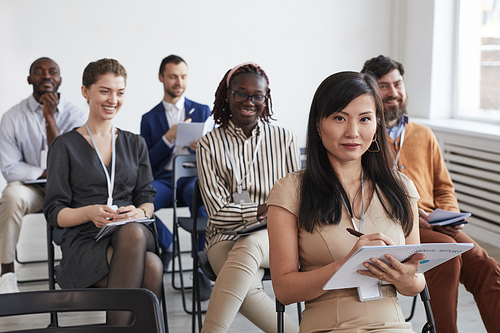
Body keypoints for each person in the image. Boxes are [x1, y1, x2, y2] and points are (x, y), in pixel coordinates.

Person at [267, 71, 426, 332]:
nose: (353, 132)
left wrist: (406, 278)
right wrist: (347, 264)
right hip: (329, 326)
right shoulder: (291, 191)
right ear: (318, 124)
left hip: (393, 326)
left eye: (365, 119)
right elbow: (284, 290)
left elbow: (416, 283)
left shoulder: (401, 187)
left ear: (377, 125)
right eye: (340, 118)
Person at [361, 55, 500, 333]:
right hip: (392, 226)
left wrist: (446, 215)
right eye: (384, 86)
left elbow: (443, 187)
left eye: (397, 84)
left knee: (486, 266)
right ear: (371, 92)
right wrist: (412, 217)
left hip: (435, 224)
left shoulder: (423, 134)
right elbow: (363, 194)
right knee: (448, 256)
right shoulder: (363, 135)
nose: (393, 93)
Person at [43, 58, 162, 325]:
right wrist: (89, 212)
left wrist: (138, 211)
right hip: (86, 240)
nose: (113, 100)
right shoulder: (65, 146)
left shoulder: (135, 143)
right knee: (152, 266)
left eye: (120, 92)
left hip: (132, 233)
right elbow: (54, 213)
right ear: (85, 91)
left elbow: (147, 198)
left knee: (133, 232)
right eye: (105, 91)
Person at [196, 62, 300, 332]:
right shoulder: (209, 143)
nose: (249, 102)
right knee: (247, 288)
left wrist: (272, 214)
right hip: (224, 237)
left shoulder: (283, 138)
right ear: (227, 94)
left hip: (274, 233)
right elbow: (217, 213)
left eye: (257, 96)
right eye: (241, 93)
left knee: (250, 246)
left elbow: (297, 198)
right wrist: (261, 209)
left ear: (266, 99)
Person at [0, 57, 86, 294]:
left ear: (59, 79)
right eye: (39, 72)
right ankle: (6, 274)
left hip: (69, 188)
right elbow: (9, 168)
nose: (46, 76)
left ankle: (81, 268)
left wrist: (50, 118)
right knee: (11, 196)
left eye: (52, 72)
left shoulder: (76, 115)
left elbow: (75, 162)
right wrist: (45, 171)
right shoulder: (12, 117)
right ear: (30, 79)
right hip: (33, 188)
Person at [140, 55, 211, 278]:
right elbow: (147, 162)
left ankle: (201, 268)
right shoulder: (149, 118)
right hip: (163, 179)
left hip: (192, 177)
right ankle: (166, 239)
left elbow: (217, 154)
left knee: (203, 201)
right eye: (172, 77)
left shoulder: (203, 111)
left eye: (182, 76)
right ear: (161, 78)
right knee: (140, 205)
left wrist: (205, 148)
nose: (178, 82)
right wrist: (167, 138)